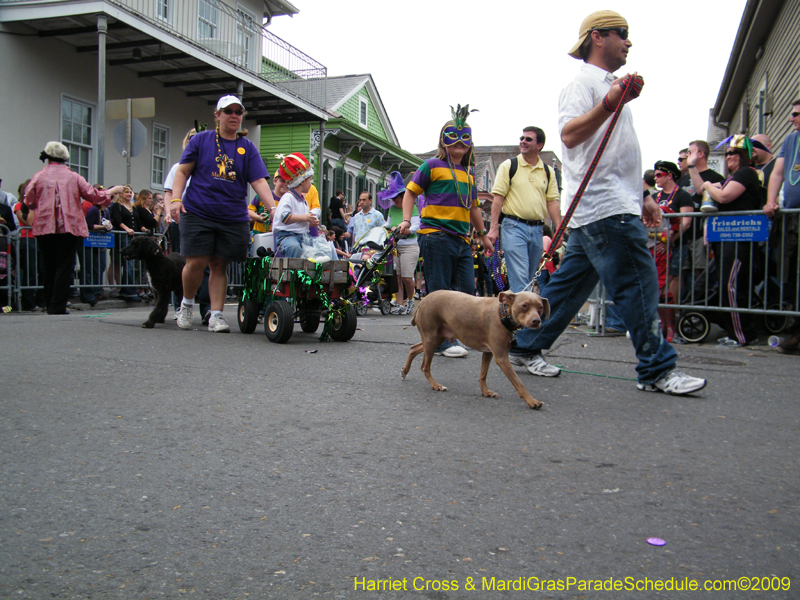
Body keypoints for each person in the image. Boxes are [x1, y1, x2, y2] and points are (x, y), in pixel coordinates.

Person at [517, 10, 706, 395]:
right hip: (605, 208)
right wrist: (609, 101)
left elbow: (615, 154)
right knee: (638, 284)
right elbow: (569, 136)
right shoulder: (584, 84)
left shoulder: (609, 88)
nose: (629, 42)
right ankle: (656, 368)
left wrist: (645, 195)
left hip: (604, 206)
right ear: (597, 37)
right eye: (623, 34)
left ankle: (524, 345)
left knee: (568, 289)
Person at [169, 95, 275, 333]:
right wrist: (175, 199)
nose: (234, 115)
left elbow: (258, 180)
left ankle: (216, 315)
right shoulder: (201, 140)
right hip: (198, 210)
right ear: (217, 115)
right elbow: (182, 171)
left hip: (231, 216)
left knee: (219, 265)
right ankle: (186, 304)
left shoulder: (247, 148)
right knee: (195, 262)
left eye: (238, 111)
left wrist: (272, 207)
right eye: (229, 111)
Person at [398, 104, 493, 358]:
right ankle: (441, 343)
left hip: (462, 240)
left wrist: (484, 236)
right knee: (439, 292)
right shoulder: (430, 165)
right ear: (443, 141)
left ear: (470, 143)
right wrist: (407, 220)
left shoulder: (470, 175)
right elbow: (410, 192)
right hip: (436, 235)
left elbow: (473, 208)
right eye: (453, 137)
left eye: (465, 138)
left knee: (465, 294)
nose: (459, 142)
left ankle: (458, 336)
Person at [487, 126, 562, 363]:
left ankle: (514, 332)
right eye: (521, 138)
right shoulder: (509, 166)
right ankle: (522, 345)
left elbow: (552, 203)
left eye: (528, 139)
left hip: (537, 229)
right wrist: (494, 227)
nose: (523, 141)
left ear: (539, 145)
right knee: (520, 282)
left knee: (530, 283)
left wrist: (559, 228)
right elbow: (497, 199)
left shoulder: (548, 172)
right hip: (513, 227)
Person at [23, 142, 123, 314]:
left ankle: (49, 303)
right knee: (64, 266)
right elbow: (95, 196)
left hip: (44, 227)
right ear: (65, 158)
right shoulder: (74, 177)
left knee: (48, 266)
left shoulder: (38, 177)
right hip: (68, 227)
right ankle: (58, 305)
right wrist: (112, 190)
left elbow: (29, 201)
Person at [701, 135, 762, 346]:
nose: (728, 157)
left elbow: (724, 197)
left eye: (733, 153)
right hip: (725, 236)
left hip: (740, 236)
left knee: (731, 285)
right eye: (726, 153)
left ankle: (742, 335)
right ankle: (734, 330)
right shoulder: (731, 177)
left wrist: (709, 185)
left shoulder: (747, 173)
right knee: (727, 284)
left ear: (744, 155)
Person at [764, 100, 800, 352]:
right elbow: (778, 173)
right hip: (791, 218)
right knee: (790, 273)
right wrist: (770, 200)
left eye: (796, 114)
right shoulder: (791, 140)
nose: (791, 119)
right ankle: (796, 331)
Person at [681, 140, 725, 275]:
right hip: (683, 234)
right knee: (680, 272)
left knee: (701, 270)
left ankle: (701, 296)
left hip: (701, 233)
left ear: (700, 154)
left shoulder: (715, 177)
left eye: (690, 152)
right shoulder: (683, 179)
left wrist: (691, 165)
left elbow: (701, 190)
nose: (687, 155)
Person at [380, 171, 420, 315]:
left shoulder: (413, 207)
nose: (395, 203)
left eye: (397, 200)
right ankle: (400, 303)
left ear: (403, 197)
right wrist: (387, 227)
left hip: (409, 245)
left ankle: (410, 300)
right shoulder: (392, 209)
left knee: (407, 277)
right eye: (393, 201)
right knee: (397, 276)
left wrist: (407, 230)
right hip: (395, 246)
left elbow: (416, 225)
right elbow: (388, 223)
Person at [272, 153, 318, 258]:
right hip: (287, 236)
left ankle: (307, 272)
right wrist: (305, 217)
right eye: (310, 180)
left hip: (302, 236)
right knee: (294, 248)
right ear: (302, 181)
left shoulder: (303, 201)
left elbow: (299, 222)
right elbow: (285, 217)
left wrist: (310, 222)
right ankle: (291, 272)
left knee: (318, 248)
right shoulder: (288, 197)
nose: (311, 184)